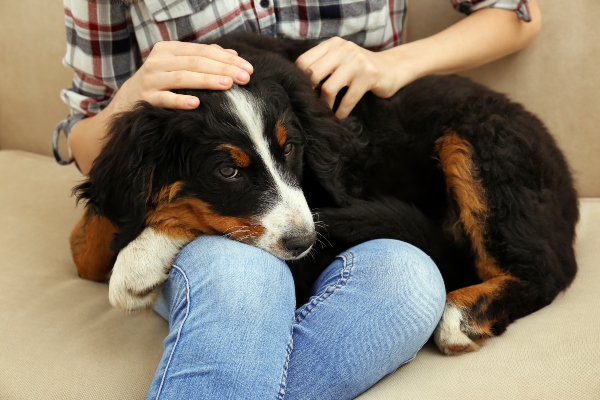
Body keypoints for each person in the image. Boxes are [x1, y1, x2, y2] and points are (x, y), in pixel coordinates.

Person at [54, 1, 541, 398]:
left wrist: (394, 61)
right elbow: (85, 133)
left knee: (410, 285)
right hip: (218, 225)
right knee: (247, 277)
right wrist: (129, 96)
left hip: (357, 174)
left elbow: (515, 12)